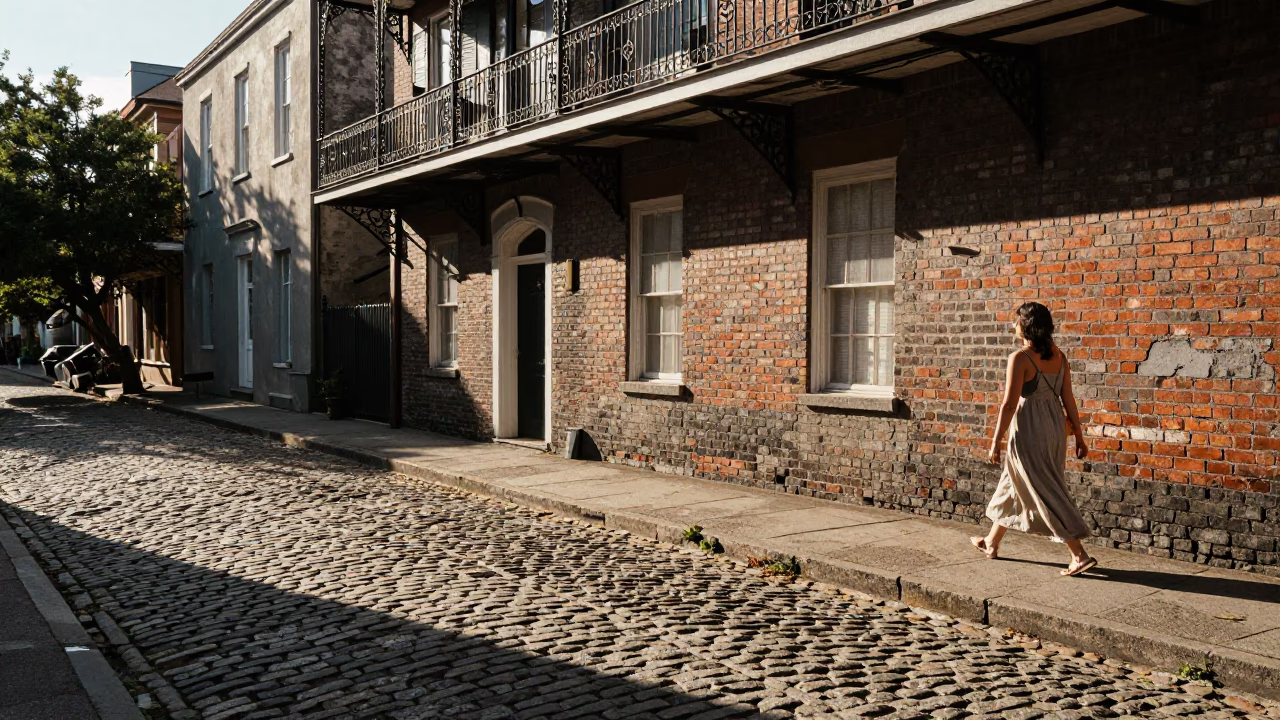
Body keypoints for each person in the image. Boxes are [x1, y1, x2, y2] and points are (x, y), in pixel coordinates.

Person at [970, 302, 1097, 576]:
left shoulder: (1020, 358)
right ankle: (991, 542)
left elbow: (1008, 405)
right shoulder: (1060, 357)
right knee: (1015, 481)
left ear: (1026, 325)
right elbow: (1069, 400)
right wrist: (1078, 435)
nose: (1013, 326)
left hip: (1028, 429)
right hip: (1053, 430)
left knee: (1043, 487)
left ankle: (1078, 554)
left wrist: (996, 441)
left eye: (1016, 321)